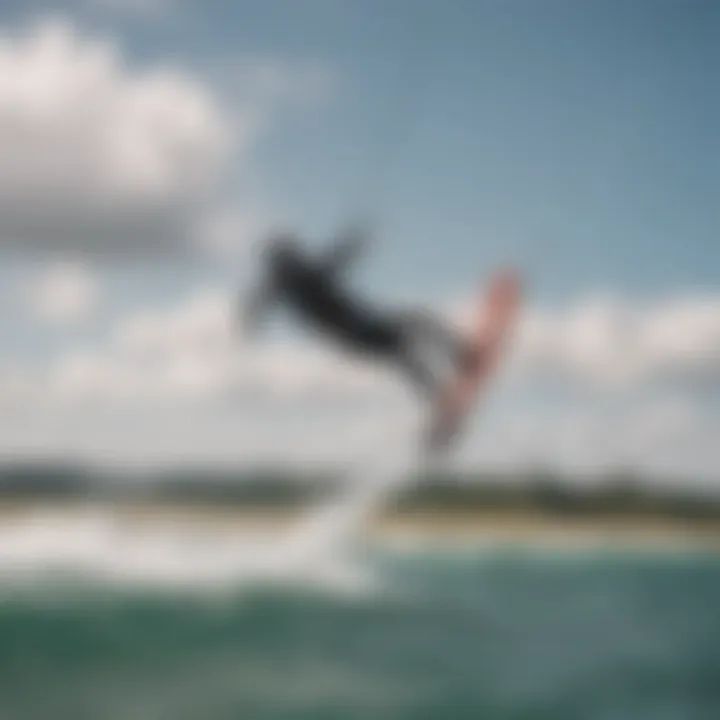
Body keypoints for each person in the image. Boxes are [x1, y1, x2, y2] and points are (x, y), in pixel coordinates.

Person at [240, 227, 481, 413]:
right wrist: (355, 242)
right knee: (411, 334)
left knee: (404, 348)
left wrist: (251, 319)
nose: (300, 255)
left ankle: (444, 386)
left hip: (353, 331)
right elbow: (332, 262)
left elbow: (263, 299)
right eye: (294, 253)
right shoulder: (298, 279)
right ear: (287, 259)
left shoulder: (289, 282)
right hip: (356, 328)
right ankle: (457, 364)